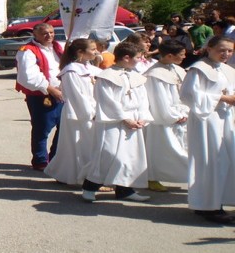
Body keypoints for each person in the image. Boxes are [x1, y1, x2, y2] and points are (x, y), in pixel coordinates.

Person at [81, 42, 153, 202]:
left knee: (130, 157)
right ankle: (90, 186)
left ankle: (125, 190)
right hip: (113, 121)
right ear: (126, 57)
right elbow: (106, 100)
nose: (140, 60)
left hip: (134, 120)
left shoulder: (136, 77)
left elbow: (143, 99)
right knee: (109, 154)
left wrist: (142, 117)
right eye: (138, 58)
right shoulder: (106, 77)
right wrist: (124, 117)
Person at [179, 36, 235, 224]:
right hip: (206, 119)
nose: (226, 54)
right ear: (209, 48)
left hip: (224, 119)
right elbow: (188, 94)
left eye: (230, 50)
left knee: (224, 160)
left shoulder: (227, 70)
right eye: (222, 50)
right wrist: (222, 98)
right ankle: (209, 206)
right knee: (210, 161)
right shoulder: (199, 69)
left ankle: (213, 202)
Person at [44, 38, 100, 185]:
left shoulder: (90, 68)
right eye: (93, 49)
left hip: (91, 112)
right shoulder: (71, 71)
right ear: (80, 52)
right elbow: (77, 96)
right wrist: (91, 113)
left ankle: (74, 176)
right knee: (80, 146)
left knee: (82, 146)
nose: (96, 52)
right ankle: (85, 179)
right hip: (80, 114)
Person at [15, 23, 64, 170]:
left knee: (63, 129)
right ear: (35, 35)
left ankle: (55, 158)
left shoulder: (58, 47)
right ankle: (40, 161)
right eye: (44, 33)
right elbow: (28, 77)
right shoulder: (27, 51)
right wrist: (50, 89)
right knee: (42, 129)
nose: (49, 35)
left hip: (62, 94)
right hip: (41, 96)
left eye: (51, 32)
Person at [144, 39, 189, 192]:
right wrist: (173, 116)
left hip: (181, 114)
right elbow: (158, 100)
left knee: (182, 149)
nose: (184, 57)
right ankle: (152, 177)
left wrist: (185, 111)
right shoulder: (155, 74)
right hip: (163, 119)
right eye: (181, 54)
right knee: (161, 152)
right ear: (169, 55)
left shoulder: (177, 69)